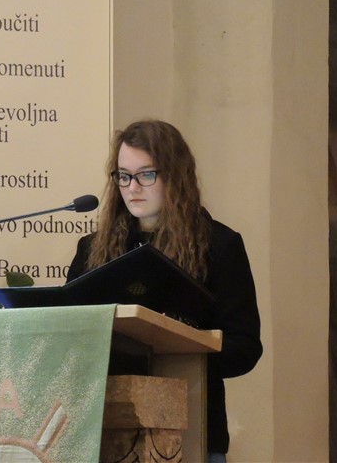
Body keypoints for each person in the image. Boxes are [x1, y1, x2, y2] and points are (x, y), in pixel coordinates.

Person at [66, 119, 263, 460]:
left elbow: (245, 347)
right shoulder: (92, 249)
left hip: (192, 427)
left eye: (146, 174)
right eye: (123, 176)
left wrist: (181, 345)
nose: (132, 187)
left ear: (175, 176)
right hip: (102, 430)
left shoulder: (219, 246)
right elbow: (68, 331)